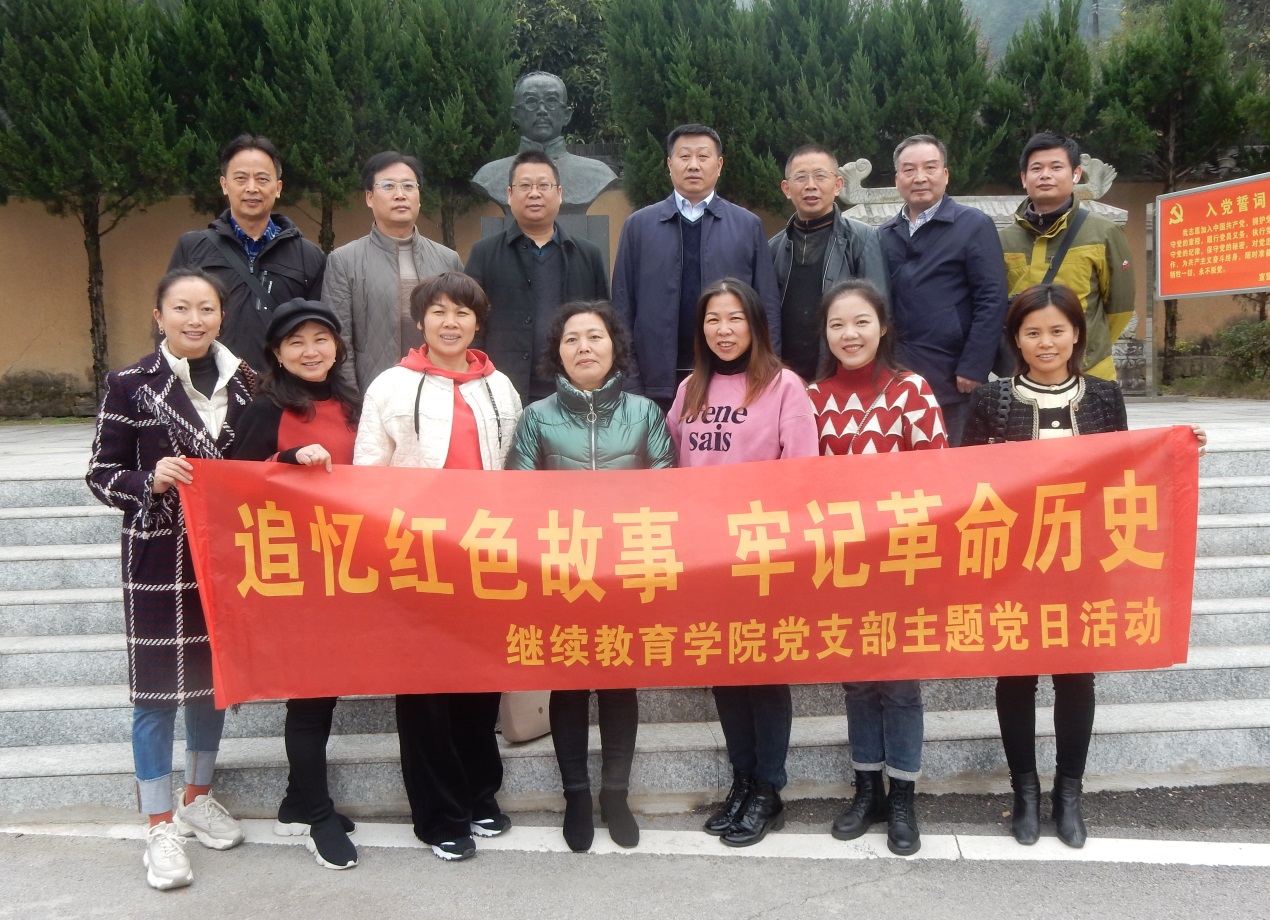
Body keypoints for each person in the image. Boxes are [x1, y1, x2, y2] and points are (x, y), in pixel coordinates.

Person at [963, 284, 1206, 848]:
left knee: (1076, 676)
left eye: (1057, 330)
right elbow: (966, 481)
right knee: (1016, 676)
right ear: (1016, 339)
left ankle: (1068, 794)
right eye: (1032, 332)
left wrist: (1179, 447)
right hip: (1015, 561)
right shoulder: (992, 400)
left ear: (1077, 334)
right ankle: (1025, 793)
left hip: (1085, 560)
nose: (1045, 342)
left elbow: (1128, 471)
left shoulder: (1102, 397)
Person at [86, 268, 253, 890]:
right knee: (155, 696)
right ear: (160, 316)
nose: (194, 319)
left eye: (206, 308)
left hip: (228, 556)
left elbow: (259, 463)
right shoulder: (129, 384)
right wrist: (147, 479)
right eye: (181, 308)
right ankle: (159, 824)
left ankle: (197, 798)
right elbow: (100, 473)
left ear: (221, 316)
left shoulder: (249, 383)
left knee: (213, 685)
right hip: (160, 558)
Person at [353, 272, 522, 861]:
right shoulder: (390, 386)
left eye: (463, 313)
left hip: (485, 555)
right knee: (426, 691)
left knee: (479, 682)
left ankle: (479, 794)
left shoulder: (499, 386)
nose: (451, 323)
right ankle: (438, 816)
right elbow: (368, 473)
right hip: (415, 558)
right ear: (420, 321)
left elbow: (516, 470)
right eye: (440, 312)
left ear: (478, 322)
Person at [505, 300, 673, 852]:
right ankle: (576, 796)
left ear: (614, 346)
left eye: (595, 336)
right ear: (557, 352)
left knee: (620, 684)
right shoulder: (537, 417)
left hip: (627, 570)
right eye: (572, 338)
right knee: (570, 683)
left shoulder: (645, 414)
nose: (584, 347)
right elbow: (519, 498)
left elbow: (668, 494)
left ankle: (615, 795)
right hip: (562, 571)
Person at [667, 278, 818, 847]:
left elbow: (802, 475)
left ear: (755, 325)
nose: (723, 330)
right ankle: (743, 780)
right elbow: (670, 469)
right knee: (726, 671)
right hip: (706, 558)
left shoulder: (784, 387)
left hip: (762, 555)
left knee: (764, 673)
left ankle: (768, 790)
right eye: (713, 320)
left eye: (735, 318)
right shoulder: (689, 390)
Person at [806, 280, 947, 857]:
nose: (850, 334)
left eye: (861, 322)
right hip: (840, 566)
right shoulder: (812, 399)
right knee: (858, 682)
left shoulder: (912, 391)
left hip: (902, 565)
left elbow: (939, 481)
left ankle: (904, 796)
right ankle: (867, 790)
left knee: (901, 684)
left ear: (882, 327)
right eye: (838, 324)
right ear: (825, 333)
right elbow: (796, 485)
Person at [232, 298, 362, 870]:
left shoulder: (354, 403)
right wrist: (286, 457)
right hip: (296, 571)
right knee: (310, 696)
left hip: (348, 567)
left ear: (336, 346)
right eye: (296, 342)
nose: (311, 351)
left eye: (320, 339)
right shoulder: (266, 408)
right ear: (277, 354)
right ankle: (318, 817)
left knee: (326, 689)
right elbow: (236, 481)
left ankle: (294, 802)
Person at [613, 124, 781, 411]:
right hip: (655, 383)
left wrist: (766, 374)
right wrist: (630, 380)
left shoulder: (747, 226)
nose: (693, 165)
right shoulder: (639, 226)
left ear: (719, 165)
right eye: (684, 156)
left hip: (733, 378)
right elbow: (621, 308)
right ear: (669, 165)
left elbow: (766, 308)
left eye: (703, 156)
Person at [878, 135, 1008, 445]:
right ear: (897, 179)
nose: (919, 177)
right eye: (909, 169)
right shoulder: (883, 234)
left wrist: (974, 366)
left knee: (953, 464)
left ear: (945, 175)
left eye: (930, 167)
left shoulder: (973, 225)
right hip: (896, 376)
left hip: (953, 377)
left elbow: (991, 299)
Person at [166, 135, 325, 375]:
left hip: (282, 387)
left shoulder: (309, 256)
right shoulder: (192, 247)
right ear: (224, 184)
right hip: (208, 384)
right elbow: (170, 316)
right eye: (241, 178)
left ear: (278, 188)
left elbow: (317, 330)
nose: (252, 188)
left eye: (262, 179)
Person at [467, 151, 609, 401]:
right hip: (503, 389)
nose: (534, 193)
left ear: (559, 193)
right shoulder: (484, 254)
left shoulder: (588, 256)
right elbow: (470, 322)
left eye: (544, 185)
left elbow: (605, 324)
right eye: (525, 186)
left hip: (573, 389)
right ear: (509, 194)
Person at [323, 151, 464, 393]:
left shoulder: (447, 259)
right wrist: (353, 401)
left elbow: (464, 329)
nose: (400, 195)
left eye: (408, 186)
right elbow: (338, 340)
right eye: (388, 186)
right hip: (375, 394)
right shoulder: (344, 261)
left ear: (419, 196)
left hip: (440, 391)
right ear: (369, 197)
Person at [999, 133, 1135, 382]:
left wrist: (1085, 348)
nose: (1045, 175)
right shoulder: (1004, 239)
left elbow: (1120, 309)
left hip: (1089, 372)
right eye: (1036, 168)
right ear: (1024, 178)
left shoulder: (1104, 232)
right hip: (1024, 375)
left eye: (1056, 167)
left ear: (1076, 174)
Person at [769, 144, 890, 381]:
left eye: (820, 176)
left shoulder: (862, 239)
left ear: (838, 185)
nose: (810, 185)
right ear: (786, 188)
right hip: (785, 376)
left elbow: (880, 312)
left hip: (841, 372)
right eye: (800, 177)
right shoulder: (773, 248)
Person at [471, 71, 619, 213]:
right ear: (515, 115)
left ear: (566, 115)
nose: (542, 110)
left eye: (551, 101)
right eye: (531, 101)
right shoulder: (488, 176)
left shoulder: (599, 174)